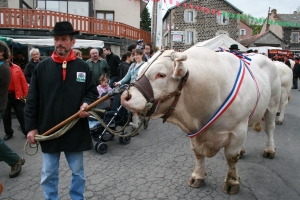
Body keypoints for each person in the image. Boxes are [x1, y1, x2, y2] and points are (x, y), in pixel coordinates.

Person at [25, 21, 98, 200]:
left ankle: (77, 198)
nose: (59, 43)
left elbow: (91, 93)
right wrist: (31, 127)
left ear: (72, 42)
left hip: (75, 129)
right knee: (49, 174)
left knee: (78, 172)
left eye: (64, 39)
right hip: (49, 130)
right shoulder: (41, 68)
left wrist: (85, 104)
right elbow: (32, 100)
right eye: (57, 39)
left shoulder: (83, 67)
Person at [0, 40, 25, 179]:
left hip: (14, 97)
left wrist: (24, 95)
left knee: (21, 115)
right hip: (6, 99)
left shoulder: (6, 67)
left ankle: (14, 160)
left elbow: (22, 81)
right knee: (7, 120)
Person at [114, 49, 145, 128]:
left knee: (133, 105)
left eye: (138, 54)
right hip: (132, 87)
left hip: (140, 87)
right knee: (130, 105)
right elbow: (127, 77)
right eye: (135, 55)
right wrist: (119, 82)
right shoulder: (132, 65)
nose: (136, 56)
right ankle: (137, 120)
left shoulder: (145, 65)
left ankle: (136, 124)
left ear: (142, 55)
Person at [2, 60, 28, 141]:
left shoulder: (17, 67)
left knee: (21, 114)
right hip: (4, 96)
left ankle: (26, 132)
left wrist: (26, 94)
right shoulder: (1, 68)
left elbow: (23, 81)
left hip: (17, 95)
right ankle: (8, 133)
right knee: (6, 116)